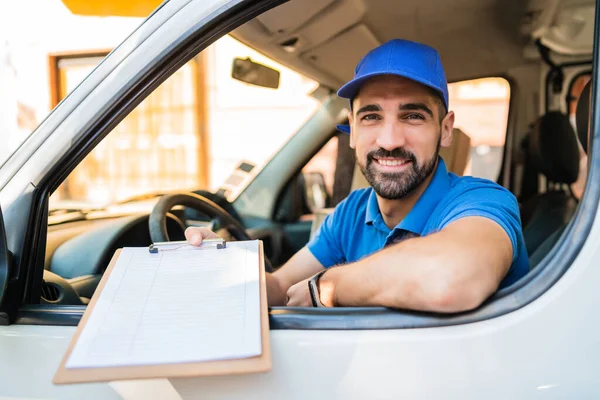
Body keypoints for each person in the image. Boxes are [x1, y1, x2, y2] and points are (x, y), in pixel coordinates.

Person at [186, 39, 529, 311]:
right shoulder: (352, 212)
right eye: (370, 117)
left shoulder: (484, 201)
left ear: (446, 130)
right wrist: (227, 265)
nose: (390, 141)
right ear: (352, 129)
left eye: (412, 116)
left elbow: (452, 277)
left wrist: (326, 288)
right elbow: (279, 287)